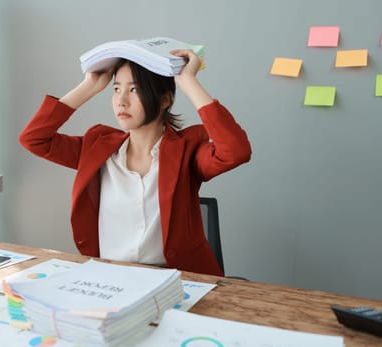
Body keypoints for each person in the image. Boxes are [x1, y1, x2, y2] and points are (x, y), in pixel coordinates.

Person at [19, 49, 251, 276]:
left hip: (178, 280)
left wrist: (188, 81)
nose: (121, 101)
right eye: (116, 89)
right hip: (112, 277)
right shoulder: (96, 148)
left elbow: (236, 151)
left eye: (134, 90)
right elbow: (34, 139)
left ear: (164, 100)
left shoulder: (187, 150)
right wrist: (89, 86)